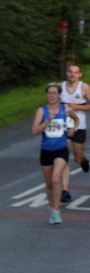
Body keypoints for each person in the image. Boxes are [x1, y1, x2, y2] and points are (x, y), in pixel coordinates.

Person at [33, 83, 78, 226]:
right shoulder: (42, 111)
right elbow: (34, 131)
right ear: (47, 95)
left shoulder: (66, 109)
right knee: (48, 184)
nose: (52, 95)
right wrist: (47, 121)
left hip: (61, 149)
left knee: (55, 179)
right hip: (46, 150)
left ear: (59, 95)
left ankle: (57, 210)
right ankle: (52, 208)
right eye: (49, 93)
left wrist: (73, 129)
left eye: (54, 93)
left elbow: (76, 119)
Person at [59, 62, 90, 203]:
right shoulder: (60, 87)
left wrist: (78, 107)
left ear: (80, 74)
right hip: (63, 127)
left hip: (79, 127)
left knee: (77, 158)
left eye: (75, 72)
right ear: (67, 73)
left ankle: (83, 161)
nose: (72, 74)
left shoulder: (84, 87)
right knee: (63, 157)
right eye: (70, 72)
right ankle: (65, 191)